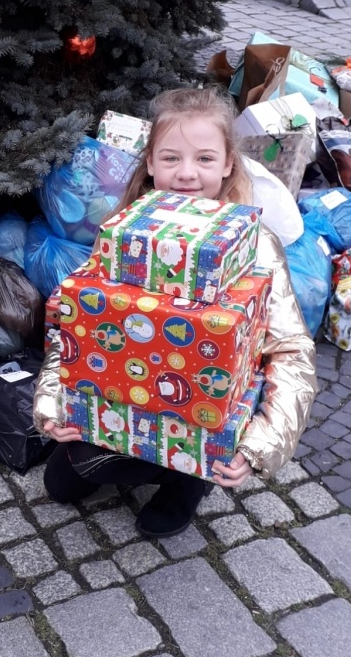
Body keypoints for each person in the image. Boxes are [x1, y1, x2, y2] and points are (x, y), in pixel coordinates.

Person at [32, 87, 317, 537]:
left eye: (204, 158)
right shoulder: (125, 230)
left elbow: (291, 350)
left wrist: (260, 443)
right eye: (171, 158)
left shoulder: (256, 244)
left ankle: (188, 478)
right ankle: (140, 454)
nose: (186, 173)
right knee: (64, 483)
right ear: (149, 162)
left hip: (206, 406)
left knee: (166, 454)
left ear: (228, 164)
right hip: (123, 385)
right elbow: (75, 323)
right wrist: (54, 401)